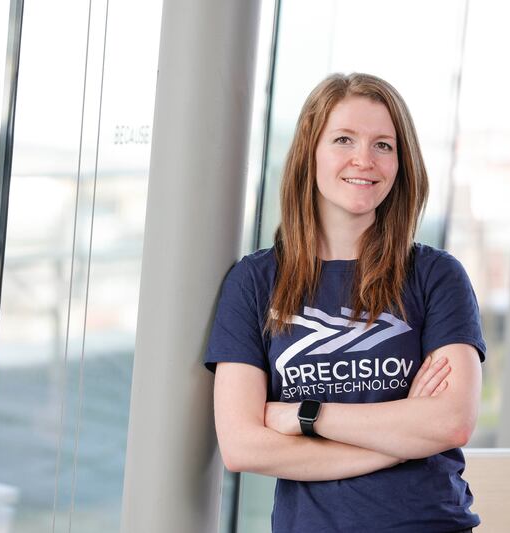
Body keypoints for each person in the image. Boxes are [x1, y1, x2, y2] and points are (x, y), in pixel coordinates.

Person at [204, 72, 485, 533]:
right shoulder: (255, 282)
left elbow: (451, 423)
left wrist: (304, 416)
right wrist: (401, 439)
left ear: (401, 163)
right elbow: (243, 446)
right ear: (309, 154)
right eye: (344, 139)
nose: (364, 160)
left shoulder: (436, 276)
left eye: (383, 145)